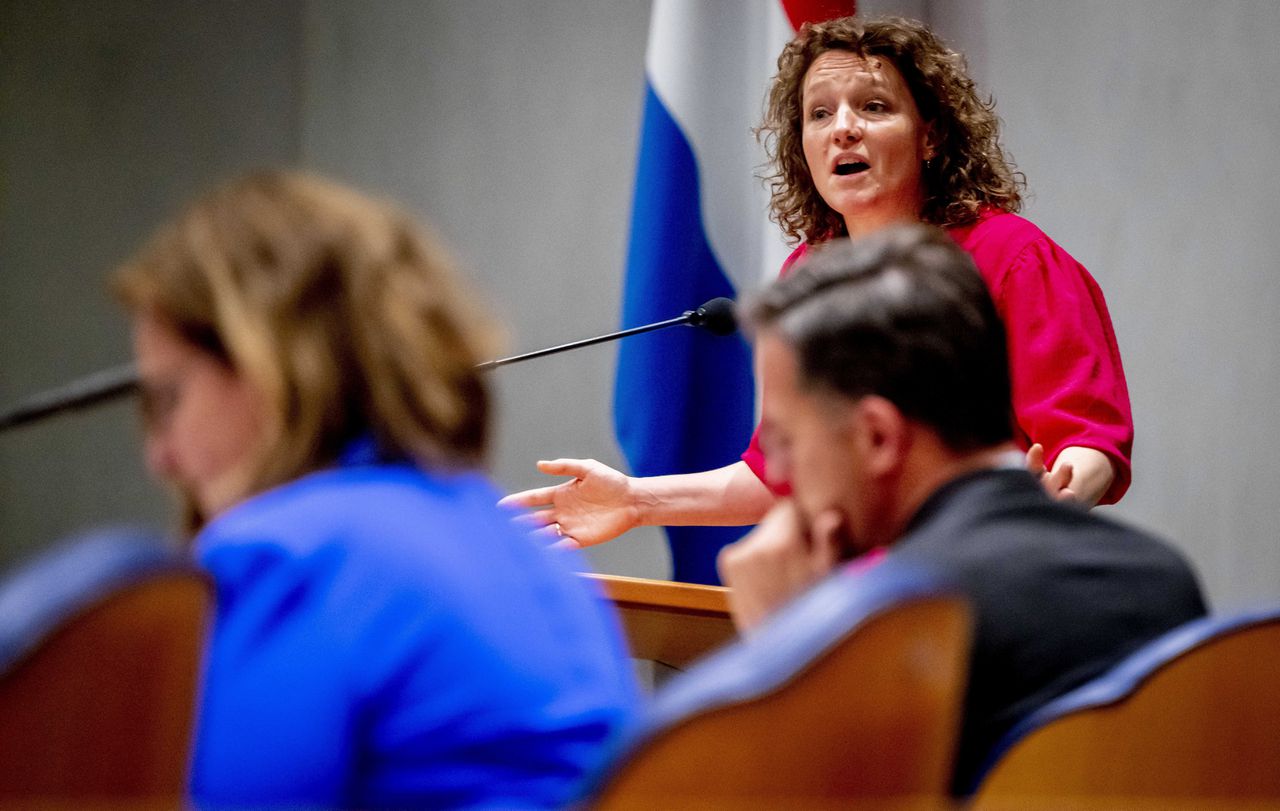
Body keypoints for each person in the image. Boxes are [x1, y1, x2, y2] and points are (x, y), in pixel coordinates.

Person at [503, 15, 1132, 561]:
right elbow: (779, 476)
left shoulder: (1012, 258)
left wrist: (1062, 492)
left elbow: (1086, 437)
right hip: (856, 604)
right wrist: (637, 501)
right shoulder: (809, 275)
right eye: (819, 114)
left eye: (875, 107)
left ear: (932, 135)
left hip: (983, 579)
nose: (843, 129)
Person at [112, 171, 640, 810]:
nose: (158, 456)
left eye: (168, 398)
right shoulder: (509, 542)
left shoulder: (283, 554)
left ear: (264, 367)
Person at [717, 223, 1205, 793]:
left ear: (877, 437)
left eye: (785, 441)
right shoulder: (1165, 579)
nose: (778, 474)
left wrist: (787, 650)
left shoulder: (887, 622)